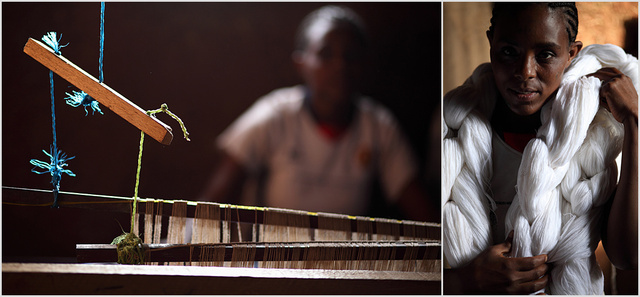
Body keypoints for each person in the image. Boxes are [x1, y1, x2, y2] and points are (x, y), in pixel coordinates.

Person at [442, 2, 637, 294]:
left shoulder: (593, 133)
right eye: (509, 51)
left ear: (572, 54)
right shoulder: (450, 129)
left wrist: (634, 124)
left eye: (545, 54)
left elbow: (626, 256)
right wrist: (463, 281)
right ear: (490, 44)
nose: (526, 72)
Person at [201, 5, 438, 223]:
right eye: (325, 54)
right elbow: (211, 205)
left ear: (364, 64)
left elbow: (424, 216)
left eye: (351, 56)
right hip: (274, 261)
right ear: (301, 64)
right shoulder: (275, 116)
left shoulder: (378, 126)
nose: (340, 65)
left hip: (344, 266)